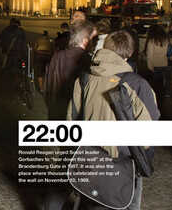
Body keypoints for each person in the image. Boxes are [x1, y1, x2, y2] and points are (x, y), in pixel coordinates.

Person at [67, 30, 160, 210]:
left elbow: (72, 120)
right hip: (124, 165)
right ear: (130, 53)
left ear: (105, 48)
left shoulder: (84, 79)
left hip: (89, 160)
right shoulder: (137, 84)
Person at [45, 20, 95, 120]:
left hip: (57, 109)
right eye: (93, 39)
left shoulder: (57, 56)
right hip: (75, 113)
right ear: (85, 40)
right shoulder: (87, 60)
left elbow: (49, 85)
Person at [145, 24, 171, 107]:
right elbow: (167, 53)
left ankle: (156, 103)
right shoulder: (166, 40)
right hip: (164, 64)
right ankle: (162, 101)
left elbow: (149, 55)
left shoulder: (151, 41)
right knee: (162, 84)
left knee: (155, 85)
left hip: (155, 65)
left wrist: (149, 67)